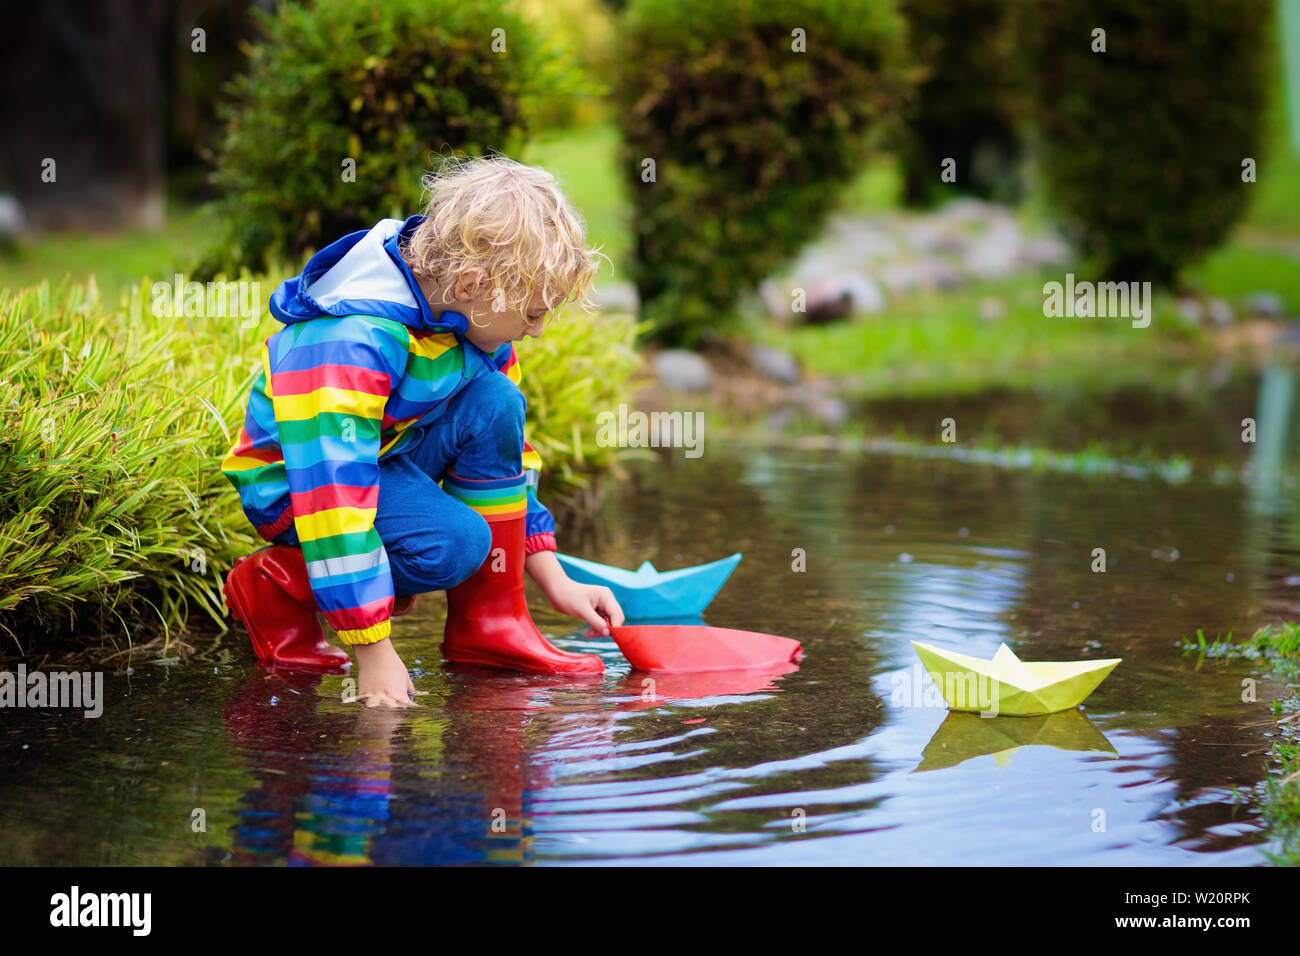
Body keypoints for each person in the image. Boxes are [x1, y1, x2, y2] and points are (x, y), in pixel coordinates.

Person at [220, 156, 624, 707]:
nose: (537, 329)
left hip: (389, 451)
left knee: (497, 399)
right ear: (471, 282)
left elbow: (506, 452)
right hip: (302, 488)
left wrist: (552, 576)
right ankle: (276, 583)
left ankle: (491, 627)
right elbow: (334, 494)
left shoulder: (470, 313)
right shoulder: (351, 340)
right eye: (532, 314)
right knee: (456, 545)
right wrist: (372, 648)